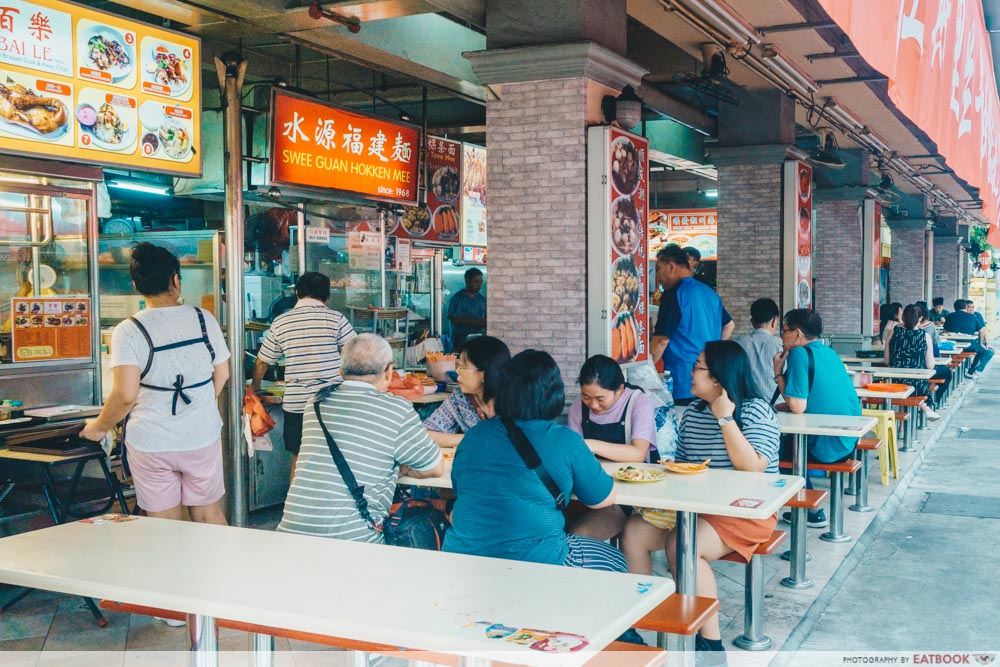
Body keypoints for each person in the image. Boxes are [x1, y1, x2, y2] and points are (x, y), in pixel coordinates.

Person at [621, 341, 780, 665]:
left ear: (719, 378)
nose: (691, 373)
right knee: (634, 532)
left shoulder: (754, 409)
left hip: (748, 510)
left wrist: (726, 419)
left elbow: (754, 467)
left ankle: (711, 645)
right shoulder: (693, 412)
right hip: (697, 508)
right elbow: (686, 466)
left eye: (698, 367)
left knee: (684, 545)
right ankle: (638, 622)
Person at [82, 243, 230, 528]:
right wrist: (198, 406)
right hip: (202, 436)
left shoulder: (129, 330)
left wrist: (99, 427)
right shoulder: (203, 319)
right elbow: (221, 375)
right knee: (208, 515)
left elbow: (125, 395)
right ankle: (222, 571)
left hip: (151, 442)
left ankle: (170, 573)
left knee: (163, 525)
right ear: (175, 280)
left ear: (136, 283)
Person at [444, 349, 625, 571]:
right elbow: (603, 499)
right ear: (554, 394)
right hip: (536, 558)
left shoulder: (473, 436)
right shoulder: (566, 440)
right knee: (617, 561)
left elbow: (460, 488)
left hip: (462, 557)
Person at [276, 334, 444, 541]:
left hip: (291, 533)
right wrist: (397, 468)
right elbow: (434, 468)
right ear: (390, 371)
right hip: (354, 540)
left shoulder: (316, 403)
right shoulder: (397, 409)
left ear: (340, 371)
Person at [251, 272, 356, 477]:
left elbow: (262, 360)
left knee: (299, 458)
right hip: (332, 402)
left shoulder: (282, 322)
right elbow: (355, 356)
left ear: (297, 292)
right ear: (327, 296)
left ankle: (295, 507)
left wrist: (255, 387)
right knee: (335, 457)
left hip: (297, 405)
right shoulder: (336, 319)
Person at [773, 309, 861, 529]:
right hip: (849, 440)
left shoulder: (799, 354)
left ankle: (811, 511)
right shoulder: (828, 352)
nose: (781, 337)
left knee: (777, 451)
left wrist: (777, 372)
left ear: (798, 333)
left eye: (784, 331)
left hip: (827, 446)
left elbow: (797, 405)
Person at [565, 355, 658, 541]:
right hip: (590, 487)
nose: (593, 405)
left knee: (579, 535)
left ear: (620, 390)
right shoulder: (578, 407)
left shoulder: (638, 403)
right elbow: (572, 453)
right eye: (586, 397)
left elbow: (638, 453)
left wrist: (592, 445)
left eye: (600, 398)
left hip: (628, 497)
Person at [651, 245, 735, 404]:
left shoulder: (674, 294)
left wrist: (644, 372)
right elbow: (729, 325)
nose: (658, 276)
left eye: (659, 269)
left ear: (671, 267)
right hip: (711, 382)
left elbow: (661, 340)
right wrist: (714, 359)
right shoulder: (709, 292)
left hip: (683, 381)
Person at [423, 336, 510, 448]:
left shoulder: (513, 401)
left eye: (463, 367)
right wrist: (471, 439)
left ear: (484, 374)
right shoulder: (460, 397)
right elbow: (425, 435)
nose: (457, 371)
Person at [884, 305, 940, 420]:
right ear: (920, 319)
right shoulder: (924, 336)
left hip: (895, 381)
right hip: (917, 384)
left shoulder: (893, 332)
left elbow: (887, 361)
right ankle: (925, 408)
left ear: (903, 317)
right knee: (913, 387)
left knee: (904, 385)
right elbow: (930, 365)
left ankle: (903, 428)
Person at [736, 298, 785, 401]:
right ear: (774, 320)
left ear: (752, 322)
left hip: (747, 407)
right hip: (777, 406)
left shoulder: (739, 343)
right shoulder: (780, 344)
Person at [945, 299, 994, 378]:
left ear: (955, 308)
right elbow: (981, 330)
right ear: (965, 307)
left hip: (953, 346)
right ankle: (971, 371)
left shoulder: (950, 316)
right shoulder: (972, 317)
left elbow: (946, 330)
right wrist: (980, 343)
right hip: (969, 346)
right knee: (983, 351)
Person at [447, 268, 487, 349]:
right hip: (460, 340)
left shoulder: (481, 299)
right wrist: (475, 322)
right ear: (467, 281)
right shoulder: (458, 298)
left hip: (478, 338)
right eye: (476, 282)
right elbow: (453, 318)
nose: (479, 284)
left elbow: (485, 317)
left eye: (481, 282)